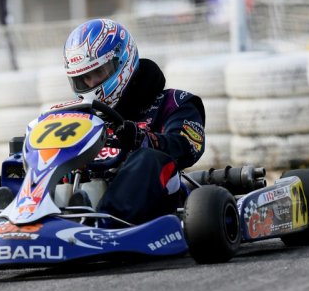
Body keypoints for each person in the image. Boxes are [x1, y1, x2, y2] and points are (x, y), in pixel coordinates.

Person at [63, 18, 206, 225]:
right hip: (85, 196)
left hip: (157, 200)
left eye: (98, 72)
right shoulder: (78, 118)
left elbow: (186, 147)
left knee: (148, 158)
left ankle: (104, 222)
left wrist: (141, 139)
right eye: (84, 78)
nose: (91, 83)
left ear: (123, 61)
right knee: (25, 163)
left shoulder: (173, 102)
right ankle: (24, 218)